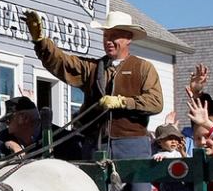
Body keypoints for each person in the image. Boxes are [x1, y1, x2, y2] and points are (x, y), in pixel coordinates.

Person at [24, 9, 163, 162]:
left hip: (133, 145)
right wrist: (40, 42)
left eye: (114, 35)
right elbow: (63, 62)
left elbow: (155, 102)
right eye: (106, 36)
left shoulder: (143, 68)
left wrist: (123, 102)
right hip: (96, 144)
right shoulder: (93, 68)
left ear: (128, 38)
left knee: (139, 186)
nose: (108, 41)